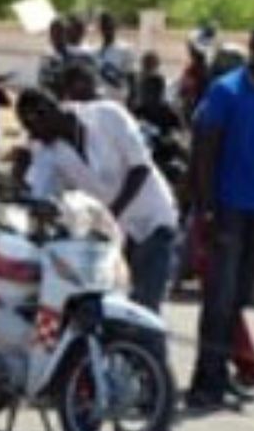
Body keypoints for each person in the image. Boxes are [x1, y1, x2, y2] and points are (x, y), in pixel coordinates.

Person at [186, 27, 254, 411]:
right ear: (252, 49)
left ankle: (223, 373)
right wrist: (207, 209)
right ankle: (204, 381)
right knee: (218, 298)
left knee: (239, 299)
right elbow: (204, 152)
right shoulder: (225, 91)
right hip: (227, 208)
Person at [15, 87, 178, 313]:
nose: (35, 138)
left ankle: (153, 349)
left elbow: (140, 168)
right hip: (114, 239)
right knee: (116, 312)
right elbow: (40, 197)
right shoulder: (48, 152)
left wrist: (110, 216)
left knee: (145, 309)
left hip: (153, 221)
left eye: (34, 129)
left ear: (47, 112)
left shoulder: (108, 116)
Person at [95, 11, 136, 97]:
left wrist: (132, 96)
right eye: (104, 26)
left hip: (119, 98)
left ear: (114, 27)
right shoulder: (95, 52)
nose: (107, 30)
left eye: (110, 26)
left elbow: (131, 76)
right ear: (100, 28)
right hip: (99, 99)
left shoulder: (125, 49)